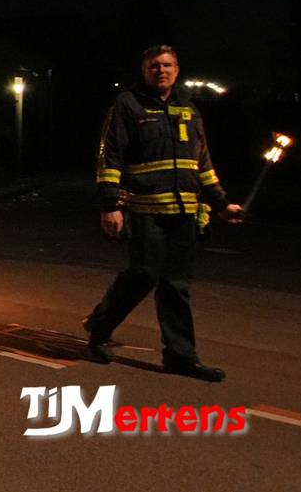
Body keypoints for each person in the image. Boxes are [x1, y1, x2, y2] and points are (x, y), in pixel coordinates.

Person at [85, 45, 243, 382]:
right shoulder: (127, 105)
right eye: (154, 65)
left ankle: (181, 357)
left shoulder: (189, 109)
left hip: (184, 213)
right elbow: (109, 157)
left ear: (177, 70)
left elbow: (203, 164)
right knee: (143, 274)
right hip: (145, 210)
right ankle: (99, 326)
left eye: (168, 65)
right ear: (144, 70)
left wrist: (220, 203)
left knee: (176, 285)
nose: (161, 70)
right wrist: (110, 206)